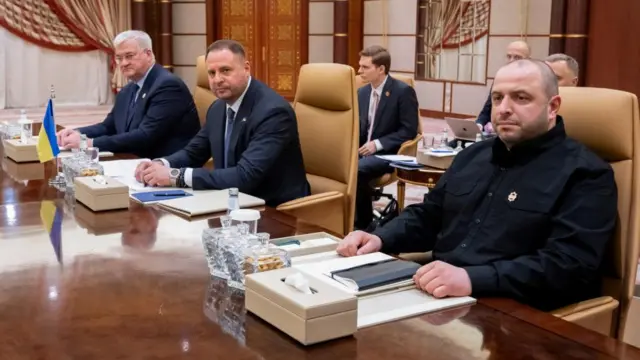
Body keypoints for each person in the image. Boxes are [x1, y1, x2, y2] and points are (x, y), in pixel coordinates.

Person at [337, 59, 618, 311]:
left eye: (521, 98)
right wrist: (381, 237)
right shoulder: (472, 156)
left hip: (517, 311)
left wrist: (472, 278)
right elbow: (429, 216)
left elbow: (568, 266)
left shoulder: (586, 173)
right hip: (439, 297)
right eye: (497, 98)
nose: (504, 109)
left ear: (552, 106)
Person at [134, 39, 311, 207]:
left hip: (272, 210)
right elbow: (194, 153)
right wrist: (161, 164)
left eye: (225, 70)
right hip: (228, 201)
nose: (217, 79)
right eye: (211, 73)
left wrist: (176, 176)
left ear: (246, 68)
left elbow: (245, 176)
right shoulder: (218, 108)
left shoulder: (273, 112)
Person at [56, 30, 200, 159]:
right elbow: (108, 126)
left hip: (165, 165)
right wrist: (77, 132)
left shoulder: (167, 86)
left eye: (129, 56)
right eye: (119, 58)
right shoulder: (128, 89)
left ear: (148, 54)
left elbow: (146, 136)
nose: (123, 63)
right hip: (133, 159)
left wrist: (87, 143)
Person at [354, 45, 419, 230]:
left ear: (381, 69)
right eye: (360, 66)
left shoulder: (402, 92)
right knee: (336, 165)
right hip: (362, 150)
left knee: (356, 170)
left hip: (390, 153)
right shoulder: (362, 93)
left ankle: (365, 224)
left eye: (365, 67)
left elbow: (409, 131)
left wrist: (378, 144)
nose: (359, 71)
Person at [475, 40, 531, 135]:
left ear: (528, 60)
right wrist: (479, 124)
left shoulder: (533, 82)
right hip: (494, 131)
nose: (511, 61)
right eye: (509, 56)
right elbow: (487, 109)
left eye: (517, 57)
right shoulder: (499, 79)